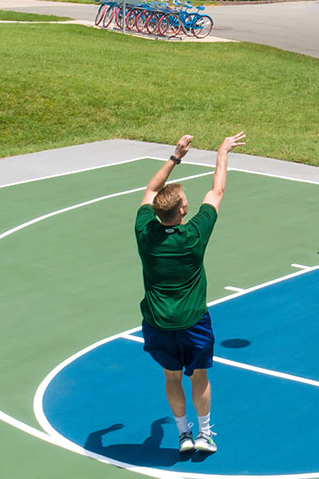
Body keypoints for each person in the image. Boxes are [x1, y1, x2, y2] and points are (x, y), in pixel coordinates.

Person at [135, 130, 247, 455]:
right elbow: (218, 189)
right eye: (186, 201)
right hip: (193, 322)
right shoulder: (195, 235)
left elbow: (151, 189)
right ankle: (205, 434)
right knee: (199, 375)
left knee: (172, 378)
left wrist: (176, 156)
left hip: (158, 323)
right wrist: (223, 151)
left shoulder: (144, 231)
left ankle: (183, 435)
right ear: (183, 210)